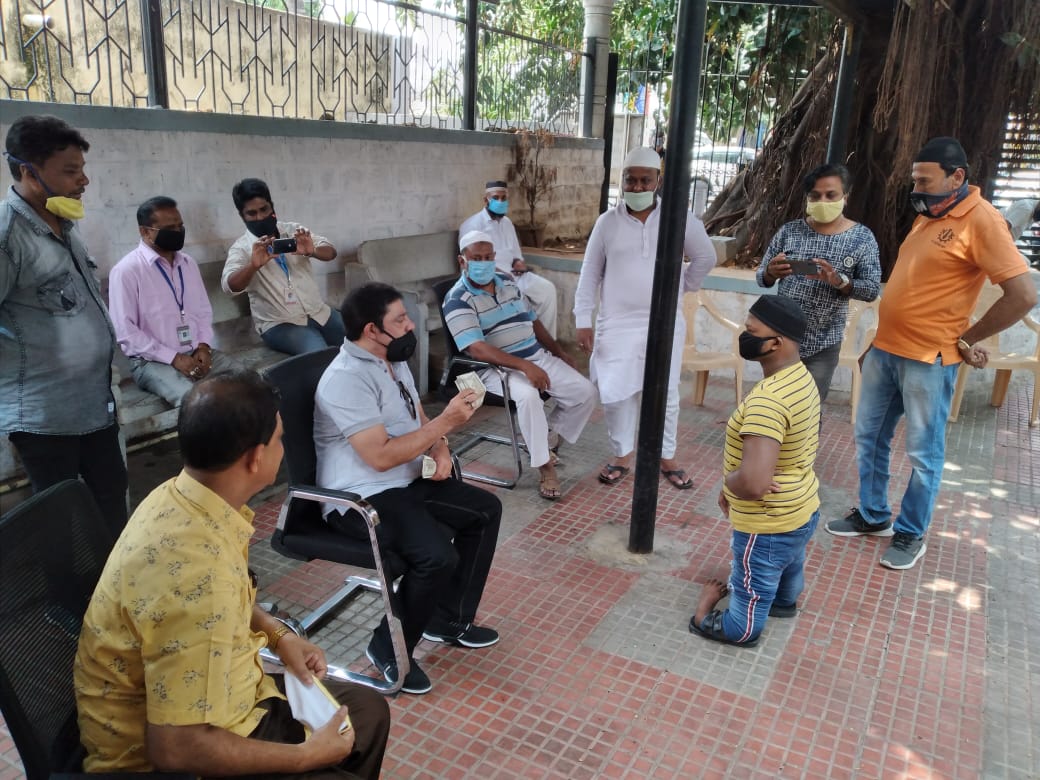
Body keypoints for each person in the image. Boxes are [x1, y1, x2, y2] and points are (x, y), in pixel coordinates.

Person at [74, 371, 390, 777]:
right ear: (255, 458)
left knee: (367, 712)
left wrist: (278, 634)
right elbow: (177, 749)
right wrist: (307, 757)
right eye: (278, 438)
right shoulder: (196, 574)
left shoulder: (184, 497)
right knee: (336, 751)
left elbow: (221, 599)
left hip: (227, 700)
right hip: (165, 759)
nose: (282, 446)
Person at [825, 137, 1037, 570]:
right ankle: (872, 515)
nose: (916, 187)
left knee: (923, 453)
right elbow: (912, 286)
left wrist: (969, 337)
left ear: (957, 177)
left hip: (930, 359)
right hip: (887, 350)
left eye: (925, 179)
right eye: (915, 179)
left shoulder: (982, 220)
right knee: (869, 436)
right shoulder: (931, 213)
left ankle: (910, 531)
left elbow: (1022, 295)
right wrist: (875, 342)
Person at [314, 282, 502, 695]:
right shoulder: (345, 379)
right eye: (399, 319)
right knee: (436, 556)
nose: (410, 324)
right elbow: (379, 457)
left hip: (404, 479)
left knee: (484, 511)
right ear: (371, 331)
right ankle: (387, 647)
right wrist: (447, 423)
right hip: (360, 497)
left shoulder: (391, 357)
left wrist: (440, 446)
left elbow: (415, 412)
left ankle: (445, 619)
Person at [0, 114, 128, 534]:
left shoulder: (65, 225)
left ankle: (110, 596)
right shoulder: (7, 235)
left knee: (110, 499)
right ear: (27, 171)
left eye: (83, 169)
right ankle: (65, 601)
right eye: (71, 171)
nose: (84, 180)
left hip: (94, 401)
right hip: (46, 415)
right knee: (60, 523)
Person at [573, 146, 718, 490]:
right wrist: (582, 318)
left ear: (658, 181)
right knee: (616, 391)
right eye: (630, 180)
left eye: (644, 180)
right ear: (622, 181)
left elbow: (706, 256)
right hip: (616, 323)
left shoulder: (677, 218)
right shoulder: (606, 223)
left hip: (663, 323)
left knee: (664, 392)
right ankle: (622, 454)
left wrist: (684, 286)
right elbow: (589, 273)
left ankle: (666, 456)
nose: (637, 187)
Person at [689, 295, 820, 647]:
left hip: (765, 523)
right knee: (790, 560)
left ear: (775, 342)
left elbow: (753, 483)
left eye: (750, 331)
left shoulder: (768, 401)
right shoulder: (800, 377)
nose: (743, 337)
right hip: (801, 509)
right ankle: (784, 601)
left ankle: (710, 615)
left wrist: (731, 484)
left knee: (745, 613)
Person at [443, 230, 597, 500]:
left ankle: (544, 438)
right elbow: (476, 347)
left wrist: (559, 352)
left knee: (585, 392)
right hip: (493, 369)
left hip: (534, 355)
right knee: (527, 397)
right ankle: (545, 466)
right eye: (476, 258)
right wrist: (525, 367)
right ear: (462, 261)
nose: (484, 262)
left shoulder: (507, 282)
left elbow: (533, 320)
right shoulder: (457, 299)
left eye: (488, 257)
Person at [756, 163, 881, 401]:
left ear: (845, 196)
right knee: (772, 406)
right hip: (781, 339)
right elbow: (762, 277)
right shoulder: (790, 231)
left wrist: (840, 281)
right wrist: (771, 272)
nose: (822, 201)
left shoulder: (861, 238)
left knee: (809, 410)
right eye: (815, 196)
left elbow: (871, 289)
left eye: (830, 195)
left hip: (824, 343)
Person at [108, 195, 243, 407]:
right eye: (170, 228)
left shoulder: (187, 264)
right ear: (145, 232)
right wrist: (174, 358)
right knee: (198, 403)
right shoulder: (126, 271)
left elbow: (203, 312)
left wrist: (204, 346)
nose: (178, 232)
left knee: (250, 383)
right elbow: (125, 332)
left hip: (195, 352)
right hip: (151, 362)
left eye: (180, 225)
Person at [222, 178, 345, 354]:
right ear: (243, 216)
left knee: (361, 341)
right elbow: (229, 286)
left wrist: (312, 251)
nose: (260, 217)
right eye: (252, 213)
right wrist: (253, 266)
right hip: (279, 323)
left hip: (319, 312)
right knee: (319, 354)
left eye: (264, 209)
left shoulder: (294, 230)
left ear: (272, 206)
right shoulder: (242, 247)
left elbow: (331, 252)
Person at [459, 180, 559, 336]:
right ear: (486, 200)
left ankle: (545, 343)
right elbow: (470, 263)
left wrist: (518, 262)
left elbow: (515, 254)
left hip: (514, 275)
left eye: (503, 198)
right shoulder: (473, 225)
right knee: (518, 300)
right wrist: (500, 274)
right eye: (496, 198)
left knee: (547, 290)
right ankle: (521, 342)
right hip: (490, 278)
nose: (500, 202)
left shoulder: (507, 223)